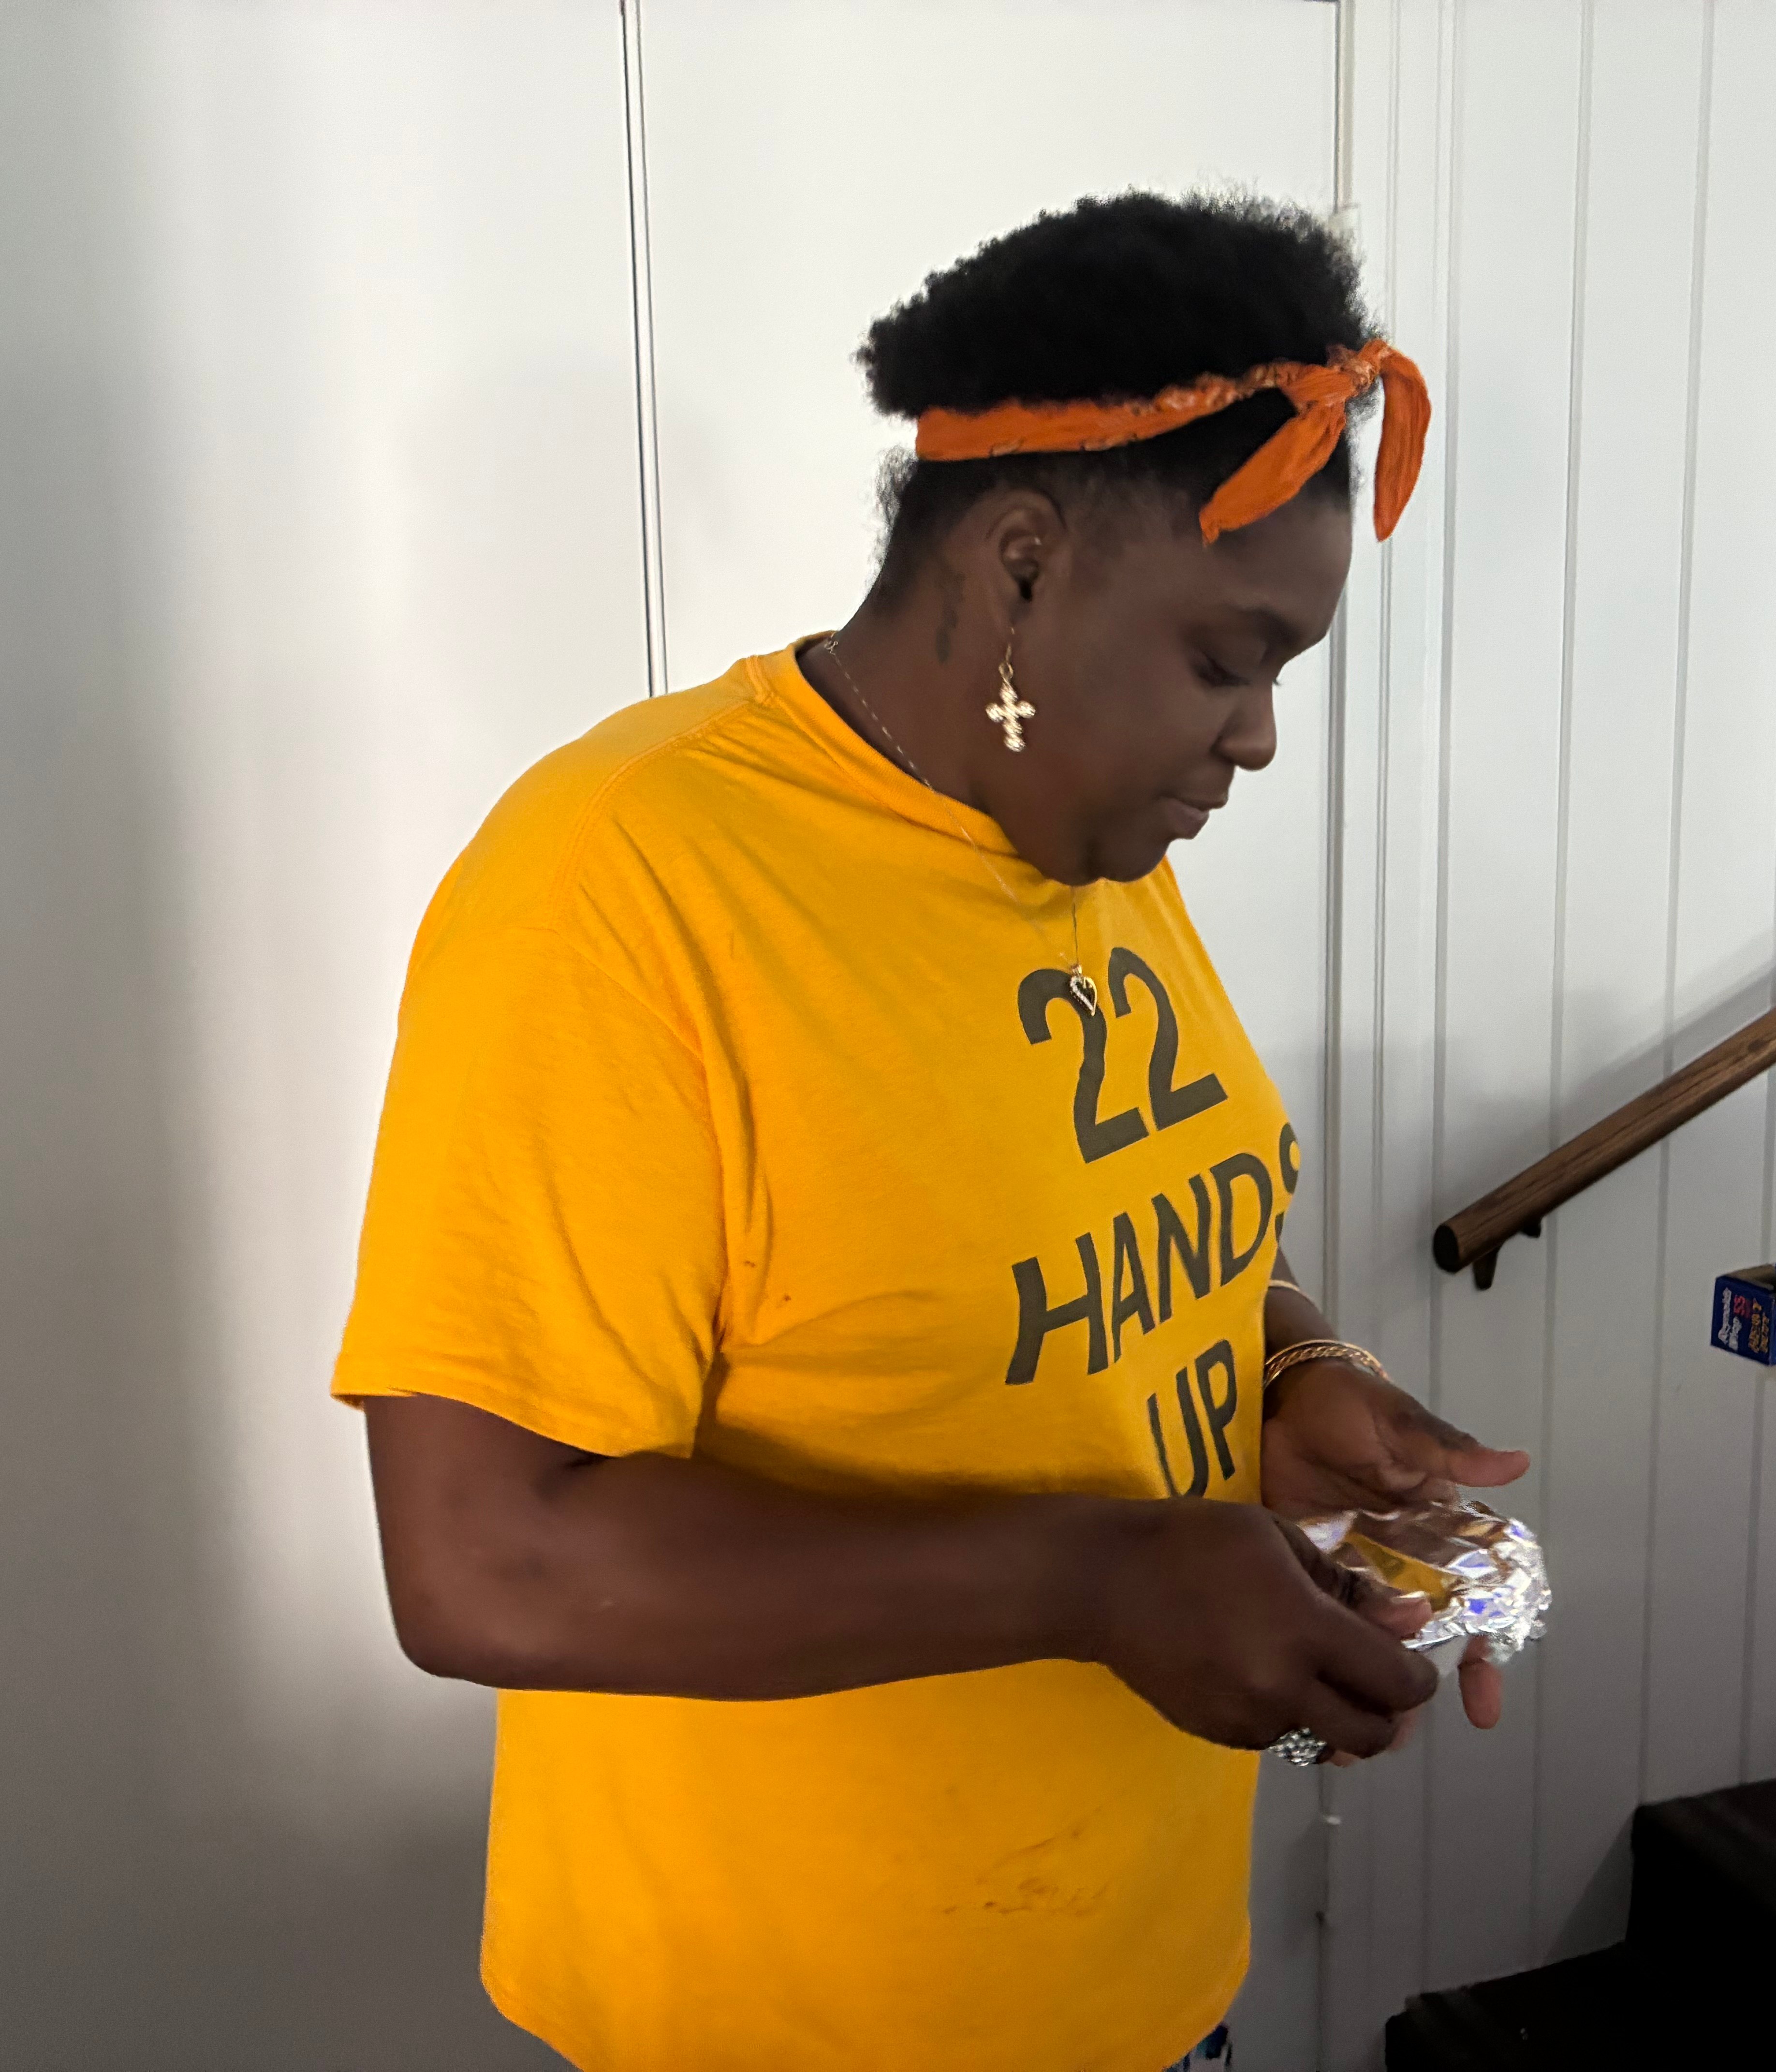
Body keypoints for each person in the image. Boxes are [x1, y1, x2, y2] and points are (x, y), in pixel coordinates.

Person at [336, 191, 1529, 2072]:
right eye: (1228, 661)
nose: (1260, 740)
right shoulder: (622, 886)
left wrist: (1294, 1364)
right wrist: (1098, 1574)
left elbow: (1102, 1239)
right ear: (1026, 567)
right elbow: (487, 1562)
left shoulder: (1078, 835)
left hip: (1131, 1978)